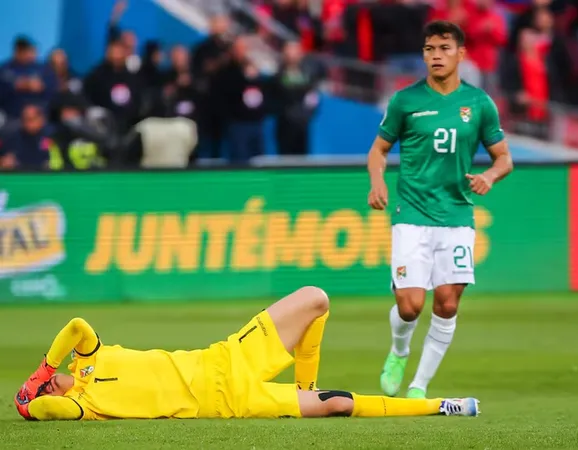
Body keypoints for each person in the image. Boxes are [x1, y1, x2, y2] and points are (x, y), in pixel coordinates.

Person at [14, 286, 479, 421]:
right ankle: (442, 405)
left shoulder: (85, 361)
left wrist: (43, 370)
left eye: (51, 382)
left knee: (316, 298)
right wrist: (32, 403)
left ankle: (305, 385)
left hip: (225, 360)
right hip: (229, 405)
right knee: (340, 405)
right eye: (49, 386)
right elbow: (47, 409)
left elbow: (77, 326)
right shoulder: (82, 405)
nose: (52, 386)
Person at [367, 21, 513, 399]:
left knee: (447, 303)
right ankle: (399, 352)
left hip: (457, 215)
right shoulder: (405, 101)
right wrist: (378, 181)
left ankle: (419, 385)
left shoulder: (479, 104)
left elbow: (504, 159)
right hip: (412, 213)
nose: (436, 55)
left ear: (461, 54)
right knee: (411, 305)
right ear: (423, 55)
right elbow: (379, 150)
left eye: (444, 48)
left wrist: (490, 177)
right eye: (430, 49)